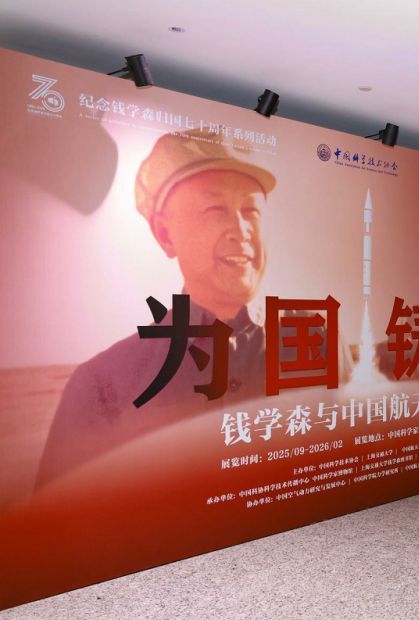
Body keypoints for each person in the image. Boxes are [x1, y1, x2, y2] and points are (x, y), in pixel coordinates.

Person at [36, 129, 349, 488]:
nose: (240, 230)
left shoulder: (318, 337)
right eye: (215, 209)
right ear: (165, 234)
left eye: (251, 210)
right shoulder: (103, 384)